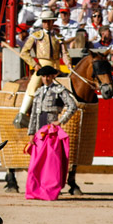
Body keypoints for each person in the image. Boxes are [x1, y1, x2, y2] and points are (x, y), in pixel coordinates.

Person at [23, 65, 79, 201]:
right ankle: (36, 192)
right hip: (39, 134)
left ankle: (50, 192)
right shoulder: (38, 92)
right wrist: (31, 133)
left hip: (51, 134)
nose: (45, 79)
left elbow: (73, 105)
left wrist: (61, 121)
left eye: (48, 76)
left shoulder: (59, 90)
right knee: (36, 165)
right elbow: (33, 116)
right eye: (43, 76)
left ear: (53, 76)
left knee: (50, 166)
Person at [13, 8, 67, 128]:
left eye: (49, 21)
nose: (47, 24)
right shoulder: (36, 36)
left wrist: (68, 64)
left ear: (53, 22)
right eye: (45, 21)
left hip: (56, 68)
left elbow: (65, 53)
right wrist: (35, 65)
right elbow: (24, 53)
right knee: (33, 86)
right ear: (42, 22)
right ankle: (21, 114)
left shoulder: (58, 36)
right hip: (42, 67)